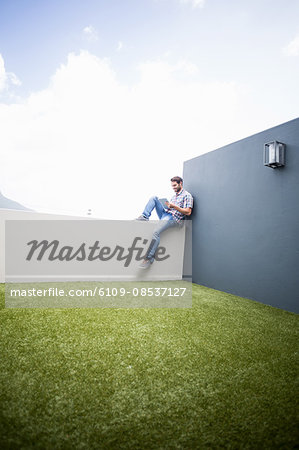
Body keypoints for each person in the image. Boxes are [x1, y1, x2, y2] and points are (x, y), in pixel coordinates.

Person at [136, 176, 193, 269]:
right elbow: (171, 208)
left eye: (175, 185)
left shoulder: (187, 195)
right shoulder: (174, 196)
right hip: (166, 214)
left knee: (156, 232)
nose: (173, 188)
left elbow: (188, 211)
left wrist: (174, 206)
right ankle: (145, 216)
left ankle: (148, 258)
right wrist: (168, 206)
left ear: (181, 183)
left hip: (174, 218)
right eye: (172, 186)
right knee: (154, 198)